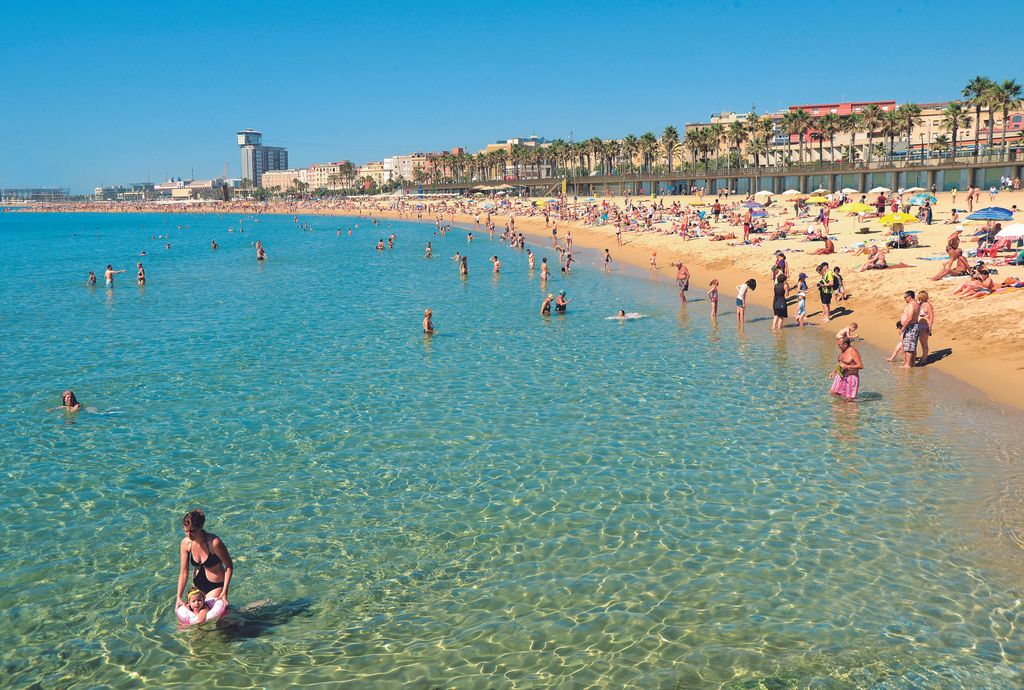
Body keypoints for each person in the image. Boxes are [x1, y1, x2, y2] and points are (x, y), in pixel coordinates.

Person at [176, 509, 232, 611]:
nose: (188, 535)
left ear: (200, 527)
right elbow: (183, 572)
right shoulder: (185, 543)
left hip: (215, 586)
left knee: (214, 620)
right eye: (186, 531)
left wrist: (224, 592)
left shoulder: (214, 542)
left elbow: (229, 566)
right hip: (197, 586)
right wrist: (178, 597)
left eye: (192, 531)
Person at [898, 290, 921, 368]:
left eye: (905, 297)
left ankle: (907, 365)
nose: (904, 299)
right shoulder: (916, 304)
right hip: (914, 326)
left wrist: (903, 328)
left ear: (909, 297)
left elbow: (910, 317)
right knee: (912, 346)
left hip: (911, 326)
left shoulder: (911, 304)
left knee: (909, 347)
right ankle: (911, 364)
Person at [916, 291, 934, 365]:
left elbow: (932, 316)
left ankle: (924, 359)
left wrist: (930, 326)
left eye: (918, 295)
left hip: (924, 326)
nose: (917, 296)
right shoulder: (920, 304)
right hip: (919, 325)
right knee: (919, 342)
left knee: (924, 343)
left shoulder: (928, 305)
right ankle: (922, 357)